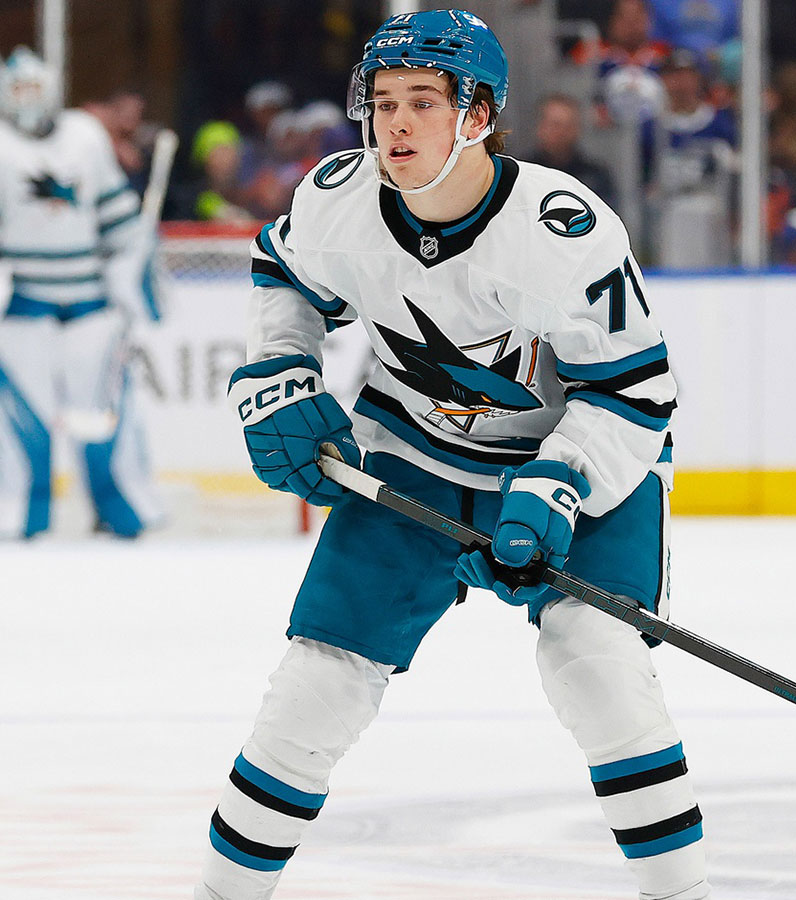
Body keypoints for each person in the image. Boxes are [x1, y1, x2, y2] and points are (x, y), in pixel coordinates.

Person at [196, 10, 706, 900]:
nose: (394, 124)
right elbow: (284, 274)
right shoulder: (338, 197)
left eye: (422, 103)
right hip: (414, 452)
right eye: (383, 101)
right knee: (317, 686)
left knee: (597, 666)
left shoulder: (561, 229)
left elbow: (636, 393)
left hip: (575, 461)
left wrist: (561, 482)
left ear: (478, 115)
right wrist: (280, 370)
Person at [0, 47, 165, 539]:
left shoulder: (85, 136)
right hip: (21, 308)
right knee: (24, 420)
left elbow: (116, 216)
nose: (27, 99)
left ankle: (123, 510)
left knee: (104, 416)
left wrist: (131, 264)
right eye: (18, 90)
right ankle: (19, 514)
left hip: (91, 303)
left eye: (34, 88)